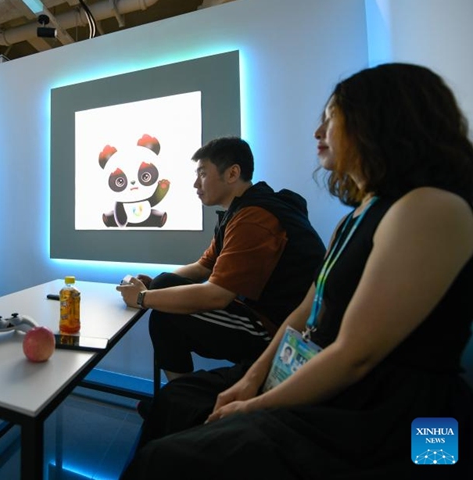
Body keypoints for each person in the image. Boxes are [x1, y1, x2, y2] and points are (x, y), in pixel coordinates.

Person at [120, 63, 473, 479]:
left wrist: (252, 404)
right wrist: (252, 379)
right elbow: (303, 310)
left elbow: (356, 357)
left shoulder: (431, 208)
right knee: (175, 399)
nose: (318, 133)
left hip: (393, 412)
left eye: (331, 119)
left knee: (166, 459)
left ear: (380, 119)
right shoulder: (356, 216)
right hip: (312, 360)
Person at [117, 137, 326, 382]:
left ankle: (178, 400)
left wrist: (143, 297)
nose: (196, 184)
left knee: (165, 316)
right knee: (164, 284)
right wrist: (154, 284)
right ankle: (178, 401)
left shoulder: (254, 217)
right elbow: (202, 267)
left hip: (280, 332)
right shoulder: (239, 212)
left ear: (232, 173)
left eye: (203, 174)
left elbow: (217, 295)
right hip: (262, 316)